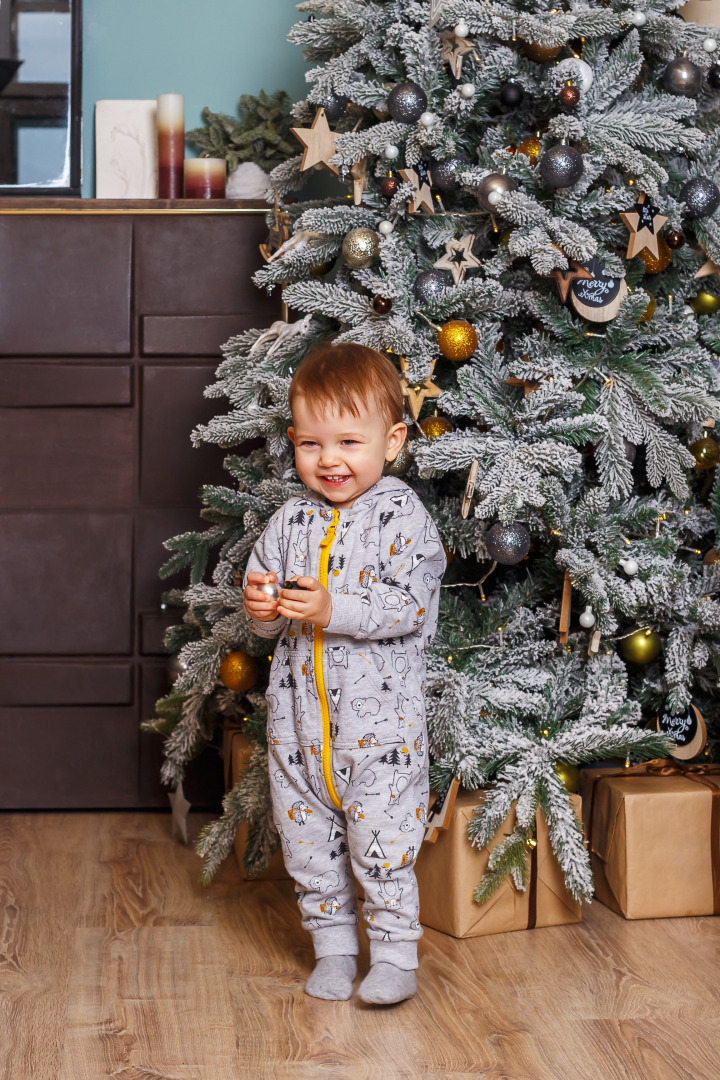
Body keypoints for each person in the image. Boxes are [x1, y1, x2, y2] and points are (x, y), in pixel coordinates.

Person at [242, 342, 446, 1005]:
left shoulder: (402, 516)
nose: (328, 460)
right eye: (311, 444)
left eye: (348, 442)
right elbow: (266, 611)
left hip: (381, 735)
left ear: (390, 442)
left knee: (384, 847)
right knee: (307, 848)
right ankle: (332, 948)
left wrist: (334, 607)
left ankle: (393, 957)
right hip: (299, 733)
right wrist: (262, 607)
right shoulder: (289, 520)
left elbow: (408, 606)